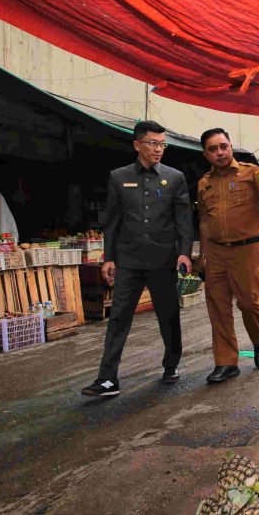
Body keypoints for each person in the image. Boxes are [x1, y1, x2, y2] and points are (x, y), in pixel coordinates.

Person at [82, 120, 193, 397]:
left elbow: (184, 221)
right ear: (137, 145)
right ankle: (108, 379)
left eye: (162, 144)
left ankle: (171, 365)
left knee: (168, 316)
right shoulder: (118, 177)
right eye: (153, 143)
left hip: (163, 259)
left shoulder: (174, 177)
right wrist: (109, 258)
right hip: (128, 260)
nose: (158, 149)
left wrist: (184, 252)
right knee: (118, 318)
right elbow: (112, 221)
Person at [197, 128, 259, 384]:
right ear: (206, 154)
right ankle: (226, 362)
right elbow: (204, 220)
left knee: (249, 303)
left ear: (230, 145)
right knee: (218, 307)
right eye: (213, 149)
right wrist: (202, 253)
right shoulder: (204, 183)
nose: (220, 152)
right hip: (215, 252)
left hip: (247, 250)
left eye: (223, 146)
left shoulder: (251, 172)